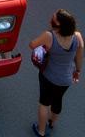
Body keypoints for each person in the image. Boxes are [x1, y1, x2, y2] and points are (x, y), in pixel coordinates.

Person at [29, 8, 82, 136]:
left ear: (58, 25)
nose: (50, 20)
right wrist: (78, 71)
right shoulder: (77, 36)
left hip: (48, 76)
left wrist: (44, 47)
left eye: (53, 19)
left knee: (44, 102)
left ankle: (41, 131)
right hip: (66, 79)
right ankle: (52, 123)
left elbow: (32, 45)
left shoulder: (49, 36)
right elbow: (79, 56)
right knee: (58, 100)